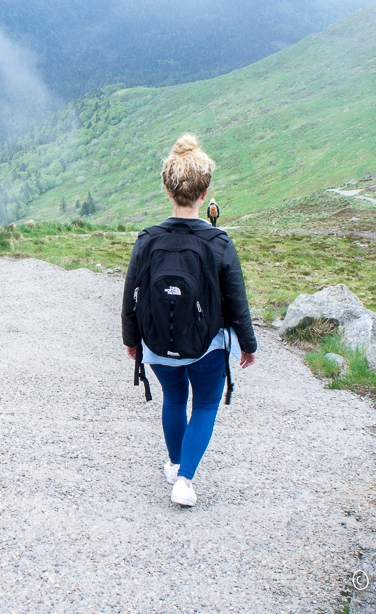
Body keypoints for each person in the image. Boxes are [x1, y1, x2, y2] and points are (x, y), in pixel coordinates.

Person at [120, 134, 257, 507]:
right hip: (207, 345)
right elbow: (237, 299)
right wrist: (248, 342)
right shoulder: (219, 242)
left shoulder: (147, 239)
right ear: (205, 191)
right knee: (207, 403)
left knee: (174, 397)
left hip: (157, 342)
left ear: (168, 189)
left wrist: (131, 340)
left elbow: (131, 292)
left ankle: (176, 461)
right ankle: (184, 479)